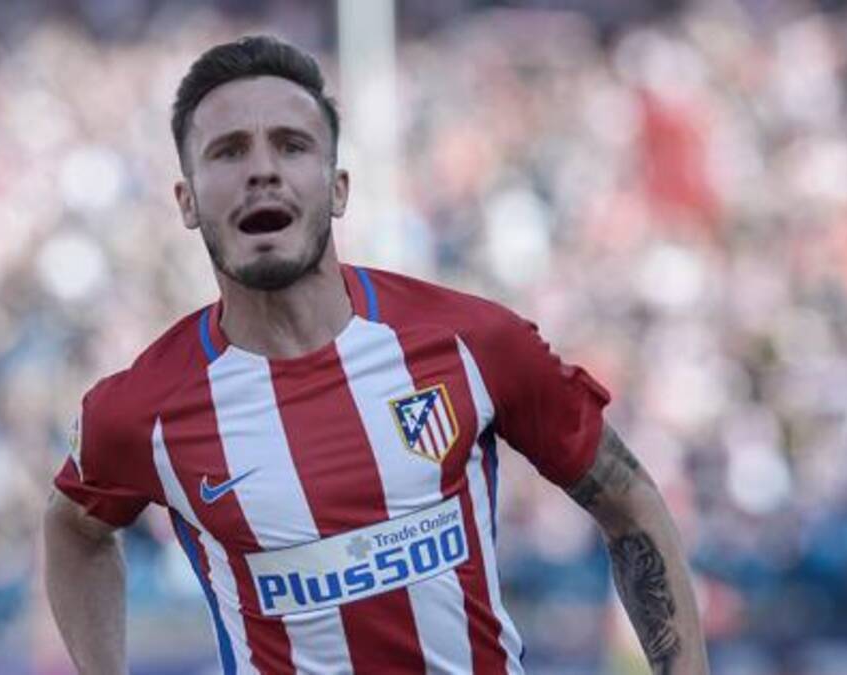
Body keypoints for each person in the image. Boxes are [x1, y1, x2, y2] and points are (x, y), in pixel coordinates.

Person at [44, 35, 708, 675]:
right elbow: (74, 529)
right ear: (187, 201)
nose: (262, 169)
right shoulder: (144, 410)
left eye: (292, 145)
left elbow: (632, 504)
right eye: (228, 151)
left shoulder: (472, 342)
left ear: (338, 188)